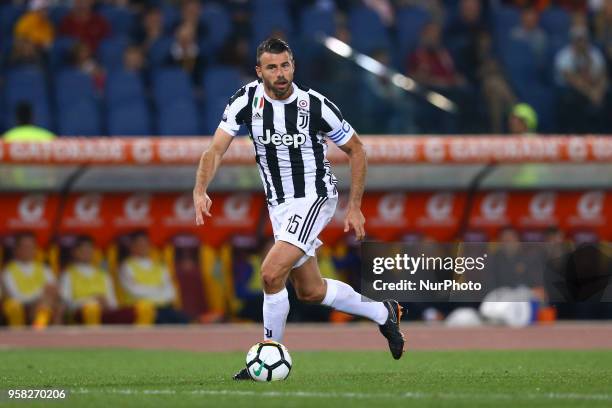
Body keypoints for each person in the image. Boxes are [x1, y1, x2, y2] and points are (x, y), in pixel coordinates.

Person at [192, 38, 405, 380]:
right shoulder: (245, 101)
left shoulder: (315, 106)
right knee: (310, 291)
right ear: (259, 70)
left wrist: (355, 207)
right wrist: (200, 188)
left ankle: (266, 355)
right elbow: (215, 149)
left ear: (294, 65)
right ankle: (384, 313)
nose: (280, 73)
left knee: (270, 273)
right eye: (272, 67)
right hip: (279, 206)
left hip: (314, 197)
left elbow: (357, 150)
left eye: (285, 65)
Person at [119, 231, 190, 324]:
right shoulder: (126, 266)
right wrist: (158, 290)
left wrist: (153, 294)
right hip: (139, 311)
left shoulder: (160, 266)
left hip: (164, 309)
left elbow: (171, 292)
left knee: (185, 321)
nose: (143, 247)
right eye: (139, 244)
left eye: (145, 243)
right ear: (132, 247)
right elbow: (134, 291)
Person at [554, 25, 609, 133]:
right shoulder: (564, 55)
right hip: (570, 91)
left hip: (592, 89)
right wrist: (591, 93)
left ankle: (603, 133)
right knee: (572, 99)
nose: (581, 43)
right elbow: (572, 80)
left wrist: (598, 91)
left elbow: (603, 76)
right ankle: (575, 133)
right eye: (578, 40)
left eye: (583, 40)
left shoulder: (594, 53)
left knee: (607, 96)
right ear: (572, 41)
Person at [1, 232, 61, 328]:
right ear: (16, 250)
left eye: (31, 247)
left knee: (53, 304)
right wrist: (39, 296)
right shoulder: (8, 271)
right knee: (43, 303)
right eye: (25, 247)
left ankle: (43, 330)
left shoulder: (45, 269)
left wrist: (45, 296)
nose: (28, 250)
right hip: (22, 307)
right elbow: (15, 296)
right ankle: (38, 330)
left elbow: (53, 291)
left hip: (42, 305)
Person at [59, 236, 118, 325]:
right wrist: (92, 300)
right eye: (83, 250)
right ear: (75, 252)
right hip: (78, 316)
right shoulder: (67, 275)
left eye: (89, 249)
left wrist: (106, 304)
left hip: (104, 315)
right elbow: (66, 304)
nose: (86, 253)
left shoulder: (104, 275)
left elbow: (113, 304)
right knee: (91, 310)